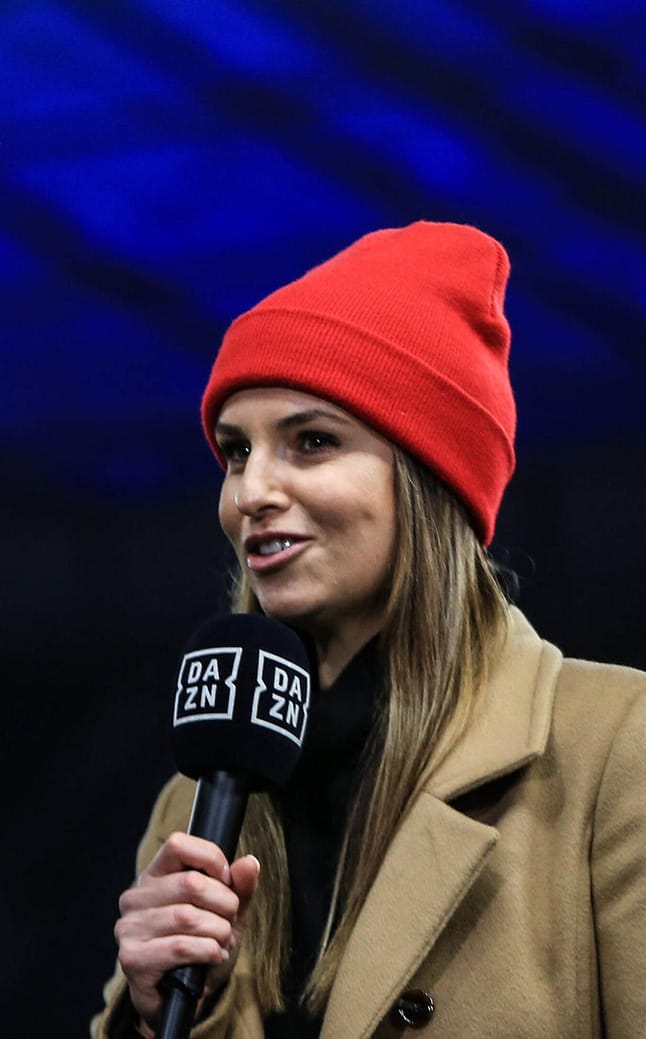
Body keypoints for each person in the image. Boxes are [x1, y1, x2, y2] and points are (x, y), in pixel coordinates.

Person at [91, 222, 646, 1036]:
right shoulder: (197, 795)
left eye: (312, 442)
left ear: (431, 476)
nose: (251, 492)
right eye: (236, 451)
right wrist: (148, 1017)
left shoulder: (611, 743)